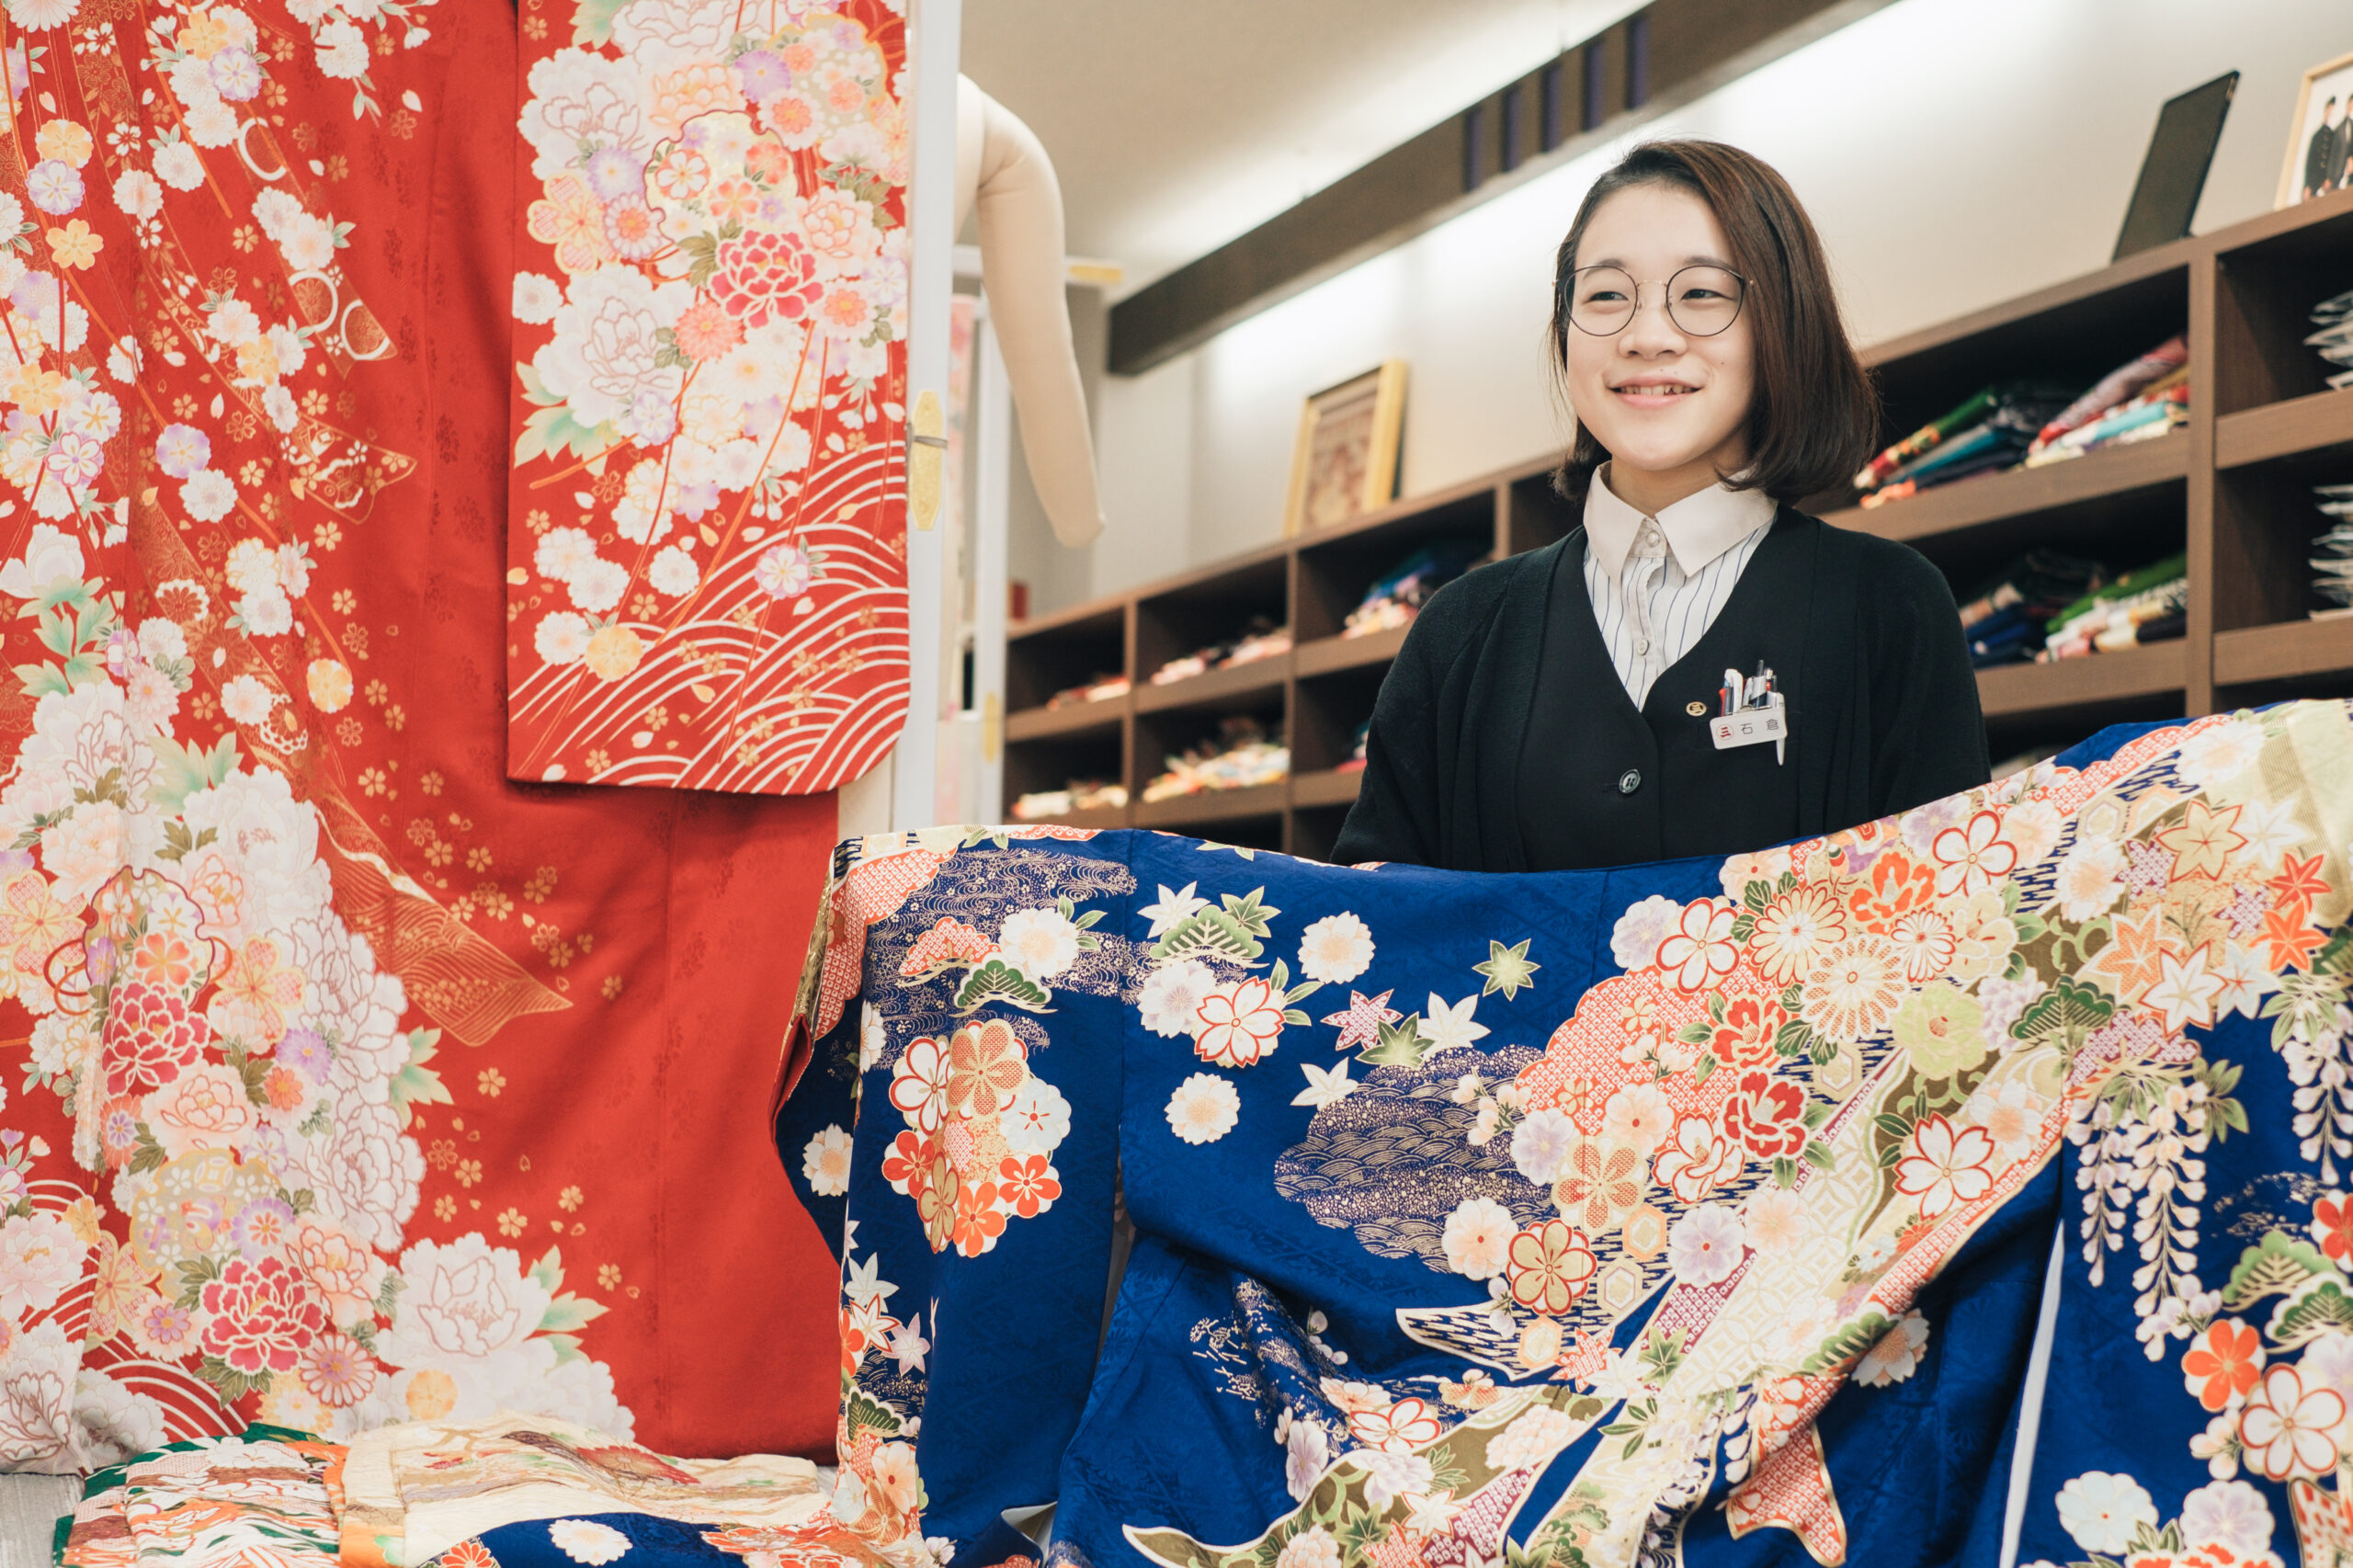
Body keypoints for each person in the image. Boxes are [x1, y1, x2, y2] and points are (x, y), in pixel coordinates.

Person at [1333, 139, 1988, 873]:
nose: (1647, 337)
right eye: (1606, 296)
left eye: (1701, 294)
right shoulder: (1461, 630)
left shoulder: (1890, 606)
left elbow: (1949, 913)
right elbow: (1373, 916)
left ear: (1782, 323)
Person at [2306, 96, 2342, 199]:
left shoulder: (2334, 137)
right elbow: (2311, 162)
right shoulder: (2317, 136)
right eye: (2329, 109)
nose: (2330, 113)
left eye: (2332, 110)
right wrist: (2308, 185)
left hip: (2328, 184)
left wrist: (2329, 179)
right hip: (2315, 184)